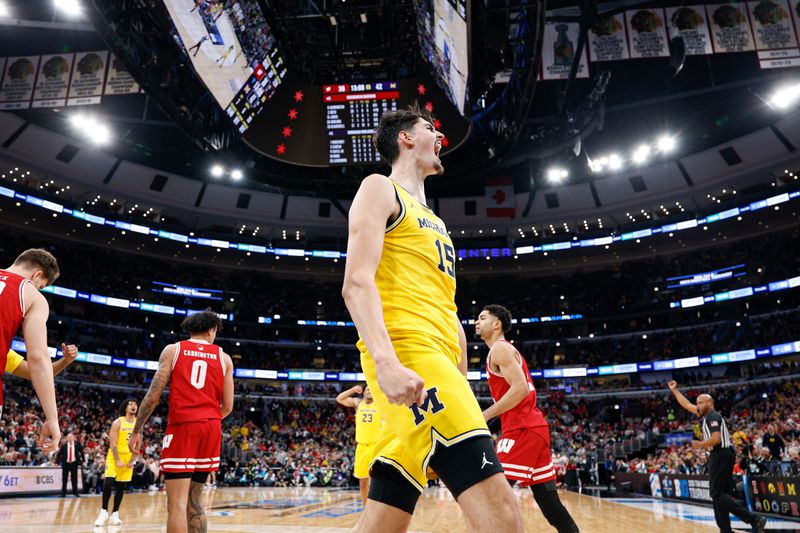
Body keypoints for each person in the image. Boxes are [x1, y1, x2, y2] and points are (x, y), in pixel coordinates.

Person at [342, 104, 523, 533]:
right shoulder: (379, 188)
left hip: (439, 364)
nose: (440, 136)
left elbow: (448, 308)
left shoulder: (436, 221)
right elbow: (356, 283)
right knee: (501, 509)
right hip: (410, 356)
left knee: (383, 520)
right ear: (406, 138)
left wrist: (460, 375)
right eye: (430, 128)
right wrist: (385, 363)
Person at [475, 305, 580, 533]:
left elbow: (520, 388)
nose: (476, 322)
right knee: (551, 507)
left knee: (494, 497)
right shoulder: (503, 351)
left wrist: (485, 415)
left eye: (482, 318)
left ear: (497, 324)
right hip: (532, 428)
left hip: (523, 430)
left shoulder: (500, 350)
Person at [129, 311, 234, 533]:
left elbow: (153, 396)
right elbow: (228, 406)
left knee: (176, 505)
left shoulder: (173, 350)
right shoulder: (225, 358)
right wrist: (208, 418)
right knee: (195, 503)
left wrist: (136, 430)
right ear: (211, 329)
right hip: (211, 427)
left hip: (183, 426)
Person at [667, 381, 767, 533]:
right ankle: (726, 529)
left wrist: (699, 445)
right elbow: (686, 404)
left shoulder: (712, 416)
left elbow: (716, 439)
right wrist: (674, 390)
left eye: (700, 402)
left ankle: (754, 519)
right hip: (724, 454)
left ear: (709, 403)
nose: (697, 405)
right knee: (720, 495)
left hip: (720, 453)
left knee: (716, 493)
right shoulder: (705, 414)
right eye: (697, 403)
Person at [0, 249, 61, 452]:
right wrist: (52, 418)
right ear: (37, 275)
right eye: (41, 286)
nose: (39, 290)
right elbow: (37, 357)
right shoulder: (31, 295)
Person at [94, 398, 139, 526]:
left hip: (128, 458)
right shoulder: (118, 422)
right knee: (108, 482)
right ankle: (103, 512)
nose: (133, 406)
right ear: (125, 408)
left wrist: (132, 460)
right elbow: (112, 443)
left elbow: (138, 445)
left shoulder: (138, 424)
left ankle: (115, 514)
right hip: (114, 457)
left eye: (135, 404)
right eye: (130, 404)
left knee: (121, 487)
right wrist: (118, 459)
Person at [336, 384, 382, 506]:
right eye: (368, 389)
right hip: (361, 447)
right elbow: (339, 399)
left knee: (376, 481)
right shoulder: (358, 403)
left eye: (372, 389)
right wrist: (352, 390)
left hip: (375, 446)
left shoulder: (379, 403)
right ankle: (365, 509)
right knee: (363, 482)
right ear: (363, 392)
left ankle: (375, 508)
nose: (370, 391)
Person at [56, 432, 84, 497]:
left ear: (73, 438)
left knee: (74, 479)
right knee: (64, 479)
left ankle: (75, 492)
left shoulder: (77, 444)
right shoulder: (64, 445)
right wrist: (56, 462)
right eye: (69, 438)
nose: (70, 439)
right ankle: (63, 493)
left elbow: (82, 452)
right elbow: (59, 454)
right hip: (66, 464)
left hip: (74, 463)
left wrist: (83, 460)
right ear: (67, 439)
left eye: (71, 437)